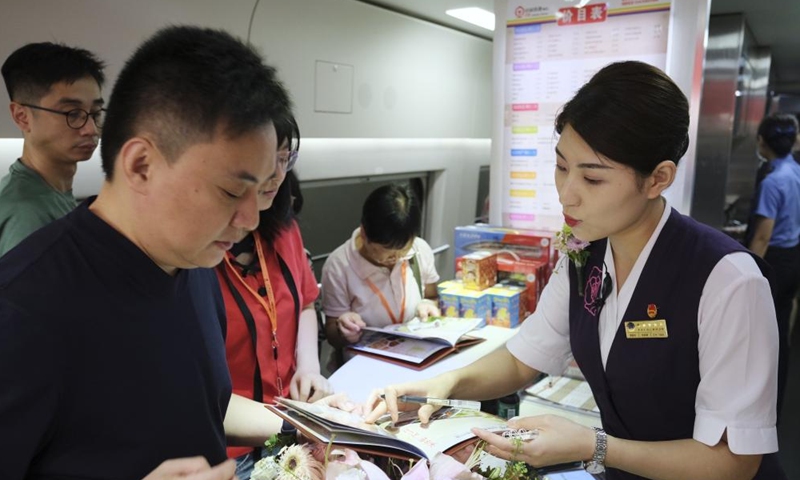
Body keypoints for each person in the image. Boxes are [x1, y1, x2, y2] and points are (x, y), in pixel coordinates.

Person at [368, 62, 785, 480]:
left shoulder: (728, 280)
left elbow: (734, 462)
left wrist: (595, 445)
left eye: (593, 179)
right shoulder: (584, 254)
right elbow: (522, 360)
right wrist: (444, 384)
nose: (567, 195)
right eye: (562, 167)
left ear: (658, 179)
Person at [0, 26, 292, 480]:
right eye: (233, 191)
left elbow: (202, 404)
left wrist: (308, 425)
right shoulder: (22, 308)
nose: (250, 219)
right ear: (141, 165)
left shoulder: (196, 263)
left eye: (260, 192)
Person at [215, 114, 332, 479]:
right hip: (228, 442)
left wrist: (309, 366)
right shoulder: (197, 252)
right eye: (269, 159)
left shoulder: (284, 230)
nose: (278, 172)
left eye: (286, 158)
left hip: (292, 420)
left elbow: (307, 303)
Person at [0, 42, 105, 256]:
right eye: (72, 114)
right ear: (22, 117)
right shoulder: (28, 214)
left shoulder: (51, 192)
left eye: (95, 113)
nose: (90, 129)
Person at [321, 183, 441, 348]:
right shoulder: (339, 266)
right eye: (387, 251)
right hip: (366, 361)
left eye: (403, 250)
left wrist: (429, 304)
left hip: (415, 350)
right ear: (364, 234)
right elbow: (332, 335)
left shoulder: (420, 249)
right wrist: (344, 330)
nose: (396, 258)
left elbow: (433, 296)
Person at [746, 113, 800, 420]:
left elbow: (763, 235)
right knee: (780, 331)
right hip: (792, 255)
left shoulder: (772, 181)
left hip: (774, 261)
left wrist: (751, 273)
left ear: (763, 142)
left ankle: (763, 408)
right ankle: (774, 404)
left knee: (764, 335)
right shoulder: (796, 172)